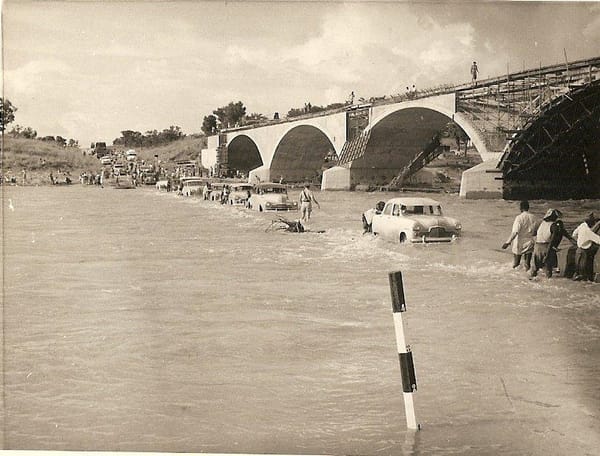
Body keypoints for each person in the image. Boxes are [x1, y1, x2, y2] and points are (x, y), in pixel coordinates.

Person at [530, 209, 576, 278]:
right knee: (548, 271)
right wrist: (548, 254)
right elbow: (552, 242)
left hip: (537, 247)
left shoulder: (540, 223)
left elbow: (533, 234)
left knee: (534, 270)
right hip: (546, 248)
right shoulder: (554, 226)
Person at [502, 200, 537, 271]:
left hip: (519, 242)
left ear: (520, 208)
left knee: (516, 264)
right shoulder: (534, 217)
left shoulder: (519, 218)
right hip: (529, 241)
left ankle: (515, 278)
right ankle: (528, 278)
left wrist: (508, 242)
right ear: (528, 208)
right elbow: (535, 232)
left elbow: (515, 232)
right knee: (527, 264)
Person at [572, 212, 600, 281]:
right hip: (584, 253)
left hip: (578, 251)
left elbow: (574, 234)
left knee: (577, 272)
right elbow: (598, 240)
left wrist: (579, 241)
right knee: (583, 274)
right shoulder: (588, 232)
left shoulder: (582, 225)